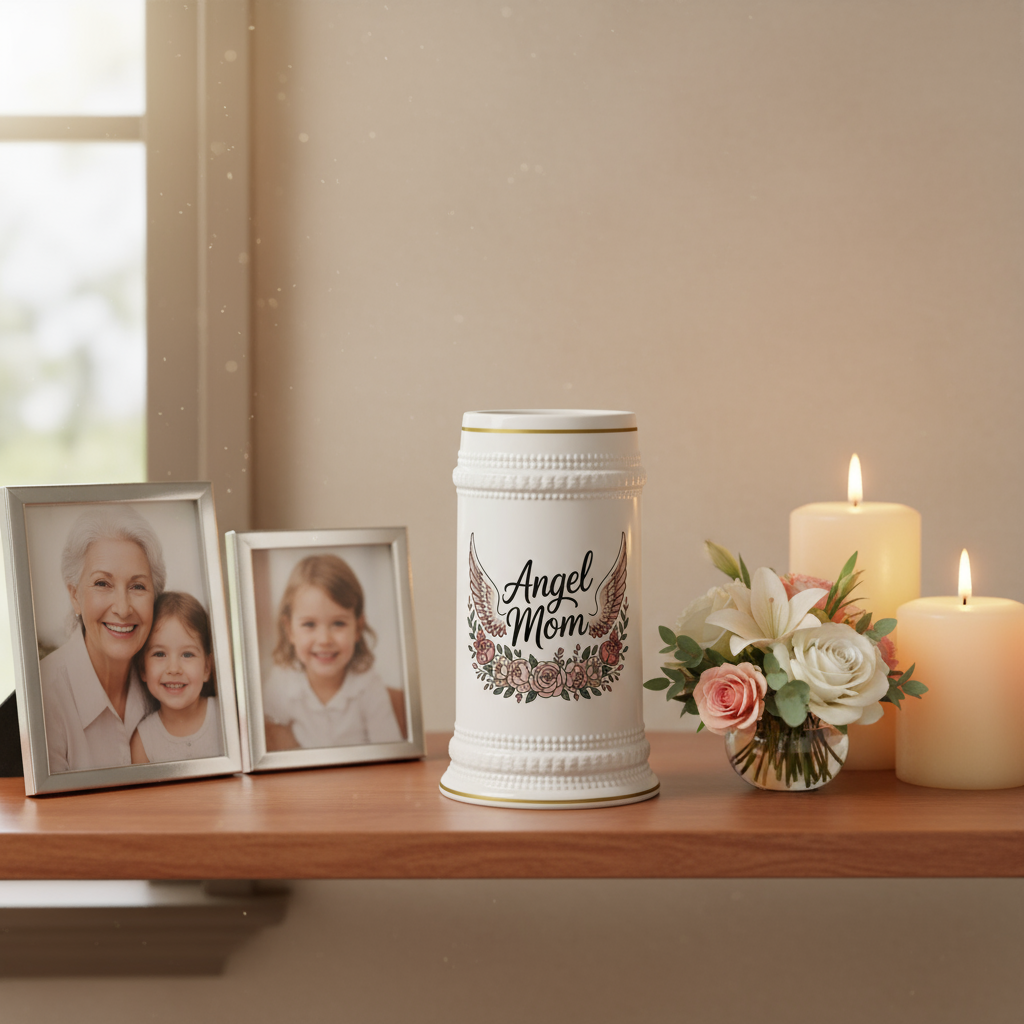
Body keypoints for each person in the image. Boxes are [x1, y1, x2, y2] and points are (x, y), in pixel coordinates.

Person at [40, 504, 165, 773]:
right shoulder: (42, 699)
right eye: (102, 583)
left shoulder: (169, 683)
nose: (122, 608)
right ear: (75, 595)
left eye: (138, 586)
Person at [263, 553, 403, 750]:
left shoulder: (368, 685)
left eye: (338, 623)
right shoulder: (282, 681)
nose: (324, 640)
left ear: (358, 627)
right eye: (309, 624)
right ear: (289, 630)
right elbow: (271, 741)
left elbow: (391, 754)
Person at [129, 591, 223, 764]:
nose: (173, 669)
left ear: (207, 667)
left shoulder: (225, 716)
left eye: (187, 654)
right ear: (142, 668)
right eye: (159, 654)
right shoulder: (143, 740)